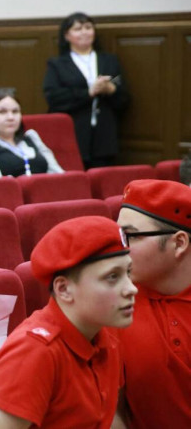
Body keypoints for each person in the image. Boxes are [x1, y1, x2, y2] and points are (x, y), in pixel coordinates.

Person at [0, 215, 136, 429]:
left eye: (128, 273)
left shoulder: (104, 337)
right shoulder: (33, 352)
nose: (131, 288)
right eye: (112, 277)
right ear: (63, 289)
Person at [116, 179, 191, 428]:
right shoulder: (113, 304)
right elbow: (110, 410)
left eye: (130, 236)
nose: (118, 248)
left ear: (179, 243)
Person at [43, 12, 129, 168]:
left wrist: (111, 89)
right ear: (67, 35)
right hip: (73, 134)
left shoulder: (109, 60)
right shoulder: (57, 64)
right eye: (78, 29)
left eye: (88, 27)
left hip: (104, 137)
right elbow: (54, 97)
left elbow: (124, 97)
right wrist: (89, 92)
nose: (84, 32)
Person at [0, 93, 64, 178]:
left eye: (15, 111)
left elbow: (58, 176)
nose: (11, 117)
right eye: (2, 112)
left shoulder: (31, 138)